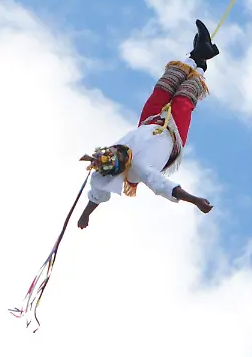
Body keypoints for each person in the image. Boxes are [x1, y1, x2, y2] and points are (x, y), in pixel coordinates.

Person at [76, 20, 219, 228]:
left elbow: (98, 186)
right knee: (184, 97)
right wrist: (195, 200)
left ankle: (196, 53)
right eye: (118, 155)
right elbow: (162, 186)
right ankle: (202, 61)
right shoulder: (140, 166)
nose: (118, 150)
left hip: (148, 122)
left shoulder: (120, 150)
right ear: (122, 164)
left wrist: (85, 214)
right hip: (173, 134)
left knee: (164, 87)